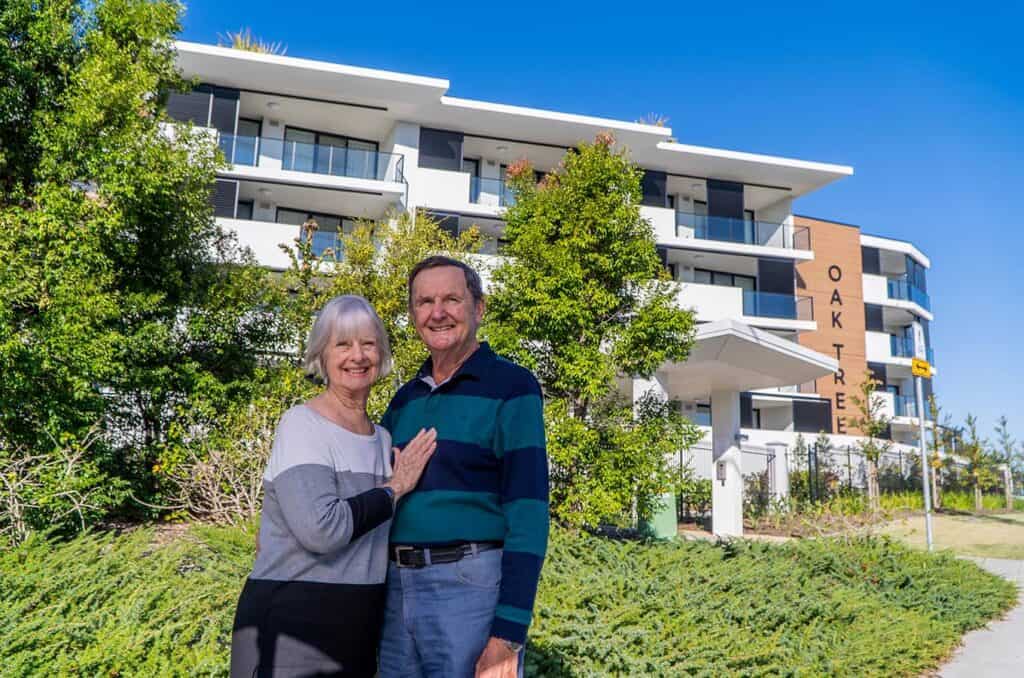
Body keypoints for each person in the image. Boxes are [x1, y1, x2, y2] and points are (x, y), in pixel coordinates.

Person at [230, 295, 437, 677]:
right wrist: (394, 489)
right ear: (321, 355)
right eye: (342, 344)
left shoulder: (382, 440)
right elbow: (322, 530)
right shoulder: (302, 425)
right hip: (292, 627)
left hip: (356, 629)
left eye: (368, 343)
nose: (357, 356)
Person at [378, 257, 549, 678]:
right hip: (395, 589)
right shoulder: (403, 401)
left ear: (479, 308)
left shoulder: (513, 387)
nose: (437, 312)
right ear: (413, 314)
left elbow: (528, 513)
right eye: (425, 302)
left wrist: (508, 634)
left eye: (452, 299)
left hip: (468, 588)